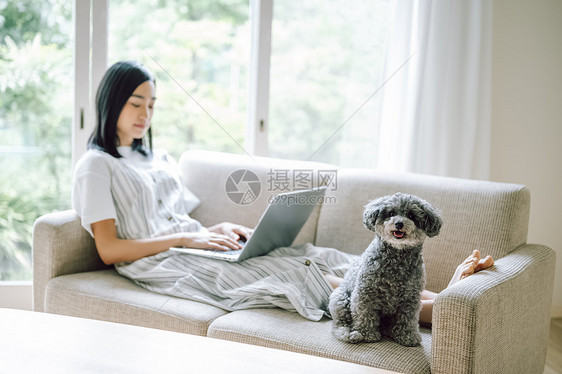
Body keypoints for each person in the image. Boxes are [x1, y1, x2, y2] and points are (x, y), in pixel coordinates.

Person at [72, 60, 494, 324]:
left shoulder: (156, 157)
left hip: (195, 246)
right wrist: (186, 238)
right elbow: (109, 249)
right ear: (111, 102)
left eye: (152, 104)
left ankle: (448, 298)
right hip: (162, 262)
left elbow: (181, 219)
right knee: (295, 276)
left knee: (311, 256)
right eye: (135, 103)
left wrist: (211, 229)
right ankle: (444, 310)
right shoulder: (97, 165)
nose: (146, 114)